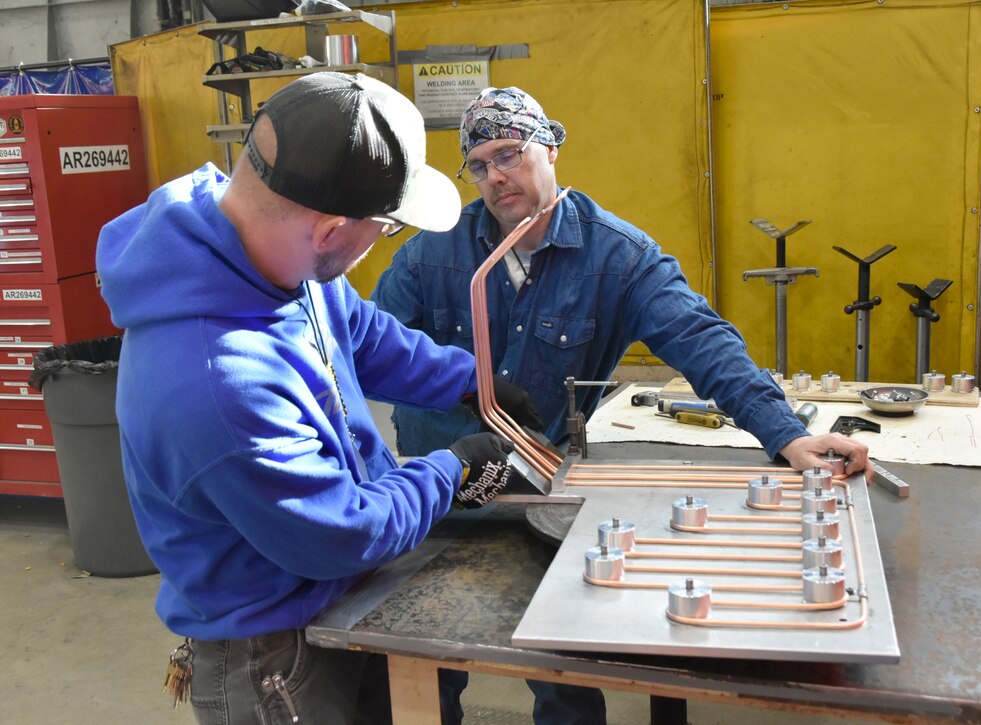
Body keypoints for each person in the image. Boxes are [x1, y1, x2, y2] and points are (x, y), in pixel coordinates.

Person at [371, 86, 873, 725]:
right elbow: (367, 343)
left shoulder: (618, 257)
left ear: (551, 146)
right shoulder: (433, 250)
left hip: (543, 488)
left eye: (510, 153)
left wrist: (783, 434)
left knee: (563, 660)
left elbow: (699, 339)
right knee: (425, 656)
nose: (496, 176)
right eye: (478, 164)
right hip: (442, 484)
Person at [95, 72, 543, 725]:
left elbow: (358, 332)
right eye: (388, 227)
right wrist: (452, 469)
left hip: (338, 599)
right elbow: (344, 532)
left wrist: (467, 382)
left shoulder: (263, 241)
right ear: (334, 230)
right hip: (273, 659)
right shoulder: (217, 385)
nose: (384, 240)